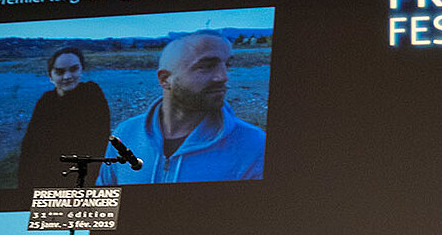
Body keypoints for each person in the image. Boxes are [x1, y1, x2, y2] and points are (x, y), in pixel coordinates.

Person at [95, 30, 265, 185]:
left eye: (227, 65)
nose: (223, 77)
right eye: (206, 66)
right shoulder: (126, 133)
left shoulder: (254, 145)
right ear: (165, 79)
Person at [18, 46, 111, 189]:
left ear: (81, 70)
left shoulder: (92, 94)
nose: (67, 76)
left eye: (74, 69)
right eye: (60, 72)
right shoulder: (45, 101)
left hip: (82, 180)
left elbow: (99, 141)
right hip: (46, 181)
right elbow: (30, 146)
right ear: (50, 76)